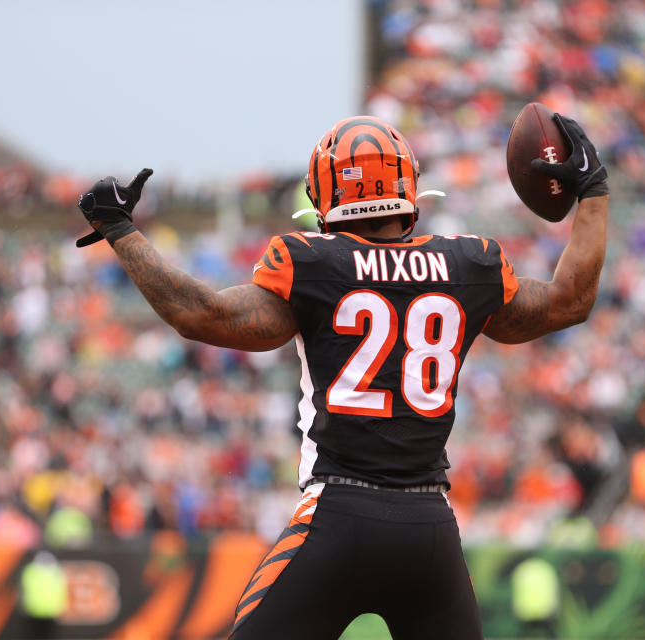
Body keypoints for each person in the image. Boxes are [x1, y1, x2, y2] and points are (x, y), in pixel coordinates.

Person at [75, 114, 609, 640]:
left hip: (338, 517)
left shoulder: (310, 262)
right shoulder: (468, 263)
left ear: (325, 194)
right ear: (409, 187)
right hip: (429, 530)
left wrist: (119, 228)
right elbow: (570, 301)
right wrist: (593, 191)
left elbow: (199, 313)